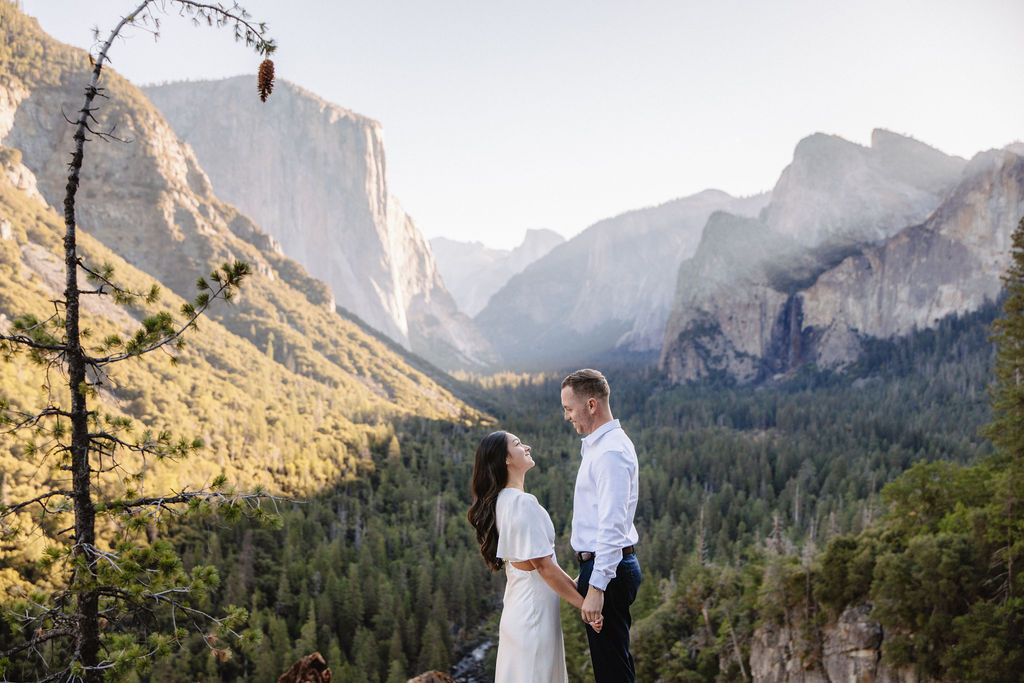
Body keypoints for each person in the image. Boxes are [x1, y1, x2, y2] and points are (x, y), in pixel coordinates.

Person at [467, 430, 601, 683]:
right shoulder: (522, 503)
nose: (527, 446)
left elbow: (540, 565)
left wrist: (579, 591)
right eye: (518, 444)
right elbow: (543, 567)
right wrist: (587, 606)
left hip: (520, 614)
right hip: (534, 618)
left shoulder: (501, 502)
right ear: (505, 459)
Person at [561, 369, 642, 682]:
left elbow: (611, 527)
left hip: (608, 572)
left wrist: (596, 588)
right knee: (613, 666)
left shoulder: (610, 452)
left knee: (612, 673)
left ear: (591, 405)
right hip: (605, 570)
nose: (566, 416)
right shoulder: (600, 445)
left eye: (569, 408)